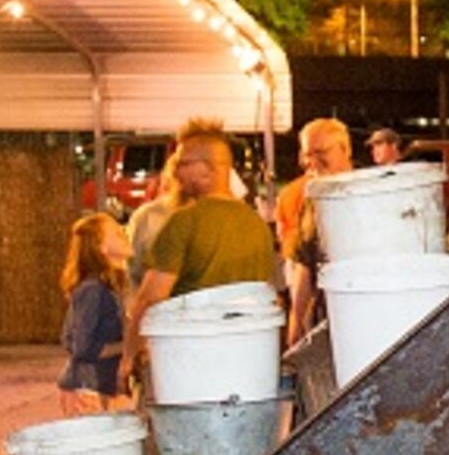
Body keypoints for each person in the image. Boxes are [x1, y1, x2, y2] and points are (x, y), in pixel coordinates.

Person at [121, 128, 282, 390]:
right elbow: (270, 294)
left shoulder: (184, 221)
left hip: (190, 361)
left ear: (209, 169)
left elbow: (151, 297)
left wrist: (128, 355)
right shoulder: (257, 225)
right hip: (245, 360)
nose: (174, 171)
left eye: (183, 163)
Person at [269, 117, 352, 337]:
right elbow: (304, 263)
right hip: (324, 318)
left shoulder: (369, 192)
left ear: (345, 150)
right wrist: (296, 319)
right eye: (308, 154)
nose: (312, 162)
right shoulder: (312, 198)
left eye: (321, 151)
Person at [57, 212, 135, 413]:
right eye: (117, 233)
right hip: (87, 390)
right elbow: (83, 348)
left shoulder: (107, 287)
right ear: (101, 248)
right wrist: (131, 345)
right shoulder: (93, 289)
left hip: (96, 388)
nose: (125, 234)